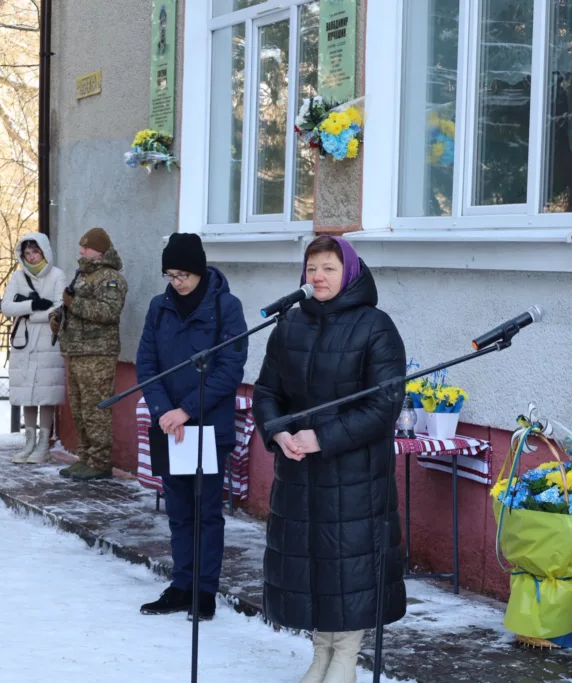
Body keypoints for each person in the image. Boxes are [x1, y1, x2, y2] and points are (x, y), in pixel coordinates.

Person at [252, 235, 407, 683]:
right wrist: (277, 431)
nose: (318, 276)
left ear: (351, 273)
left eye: (329, 268)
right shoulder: (289, 325)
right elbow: (267, 391)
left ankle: (346, 656)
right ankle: (321, 652)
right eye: (312, 268)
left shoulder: (376, 327)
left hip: (355, 474)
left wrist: (321, 438)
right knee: (312, 564)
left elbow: (383, 407)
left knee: (350, 566)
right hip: (299, 469)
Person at [137, 233, 248, 621]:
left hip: (204, 427)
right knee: (179, 510)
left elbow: (230, 369)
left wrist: (185, 410)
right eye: (170, 274)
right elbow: (146, 365)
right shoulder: (159, 307)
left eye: (183, 274)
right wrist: (165, 412)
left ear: (199, 271)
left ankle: (205, 590)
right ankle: (181, 584)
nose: (176, 282)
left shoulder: (226, 307)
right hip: (170, 426)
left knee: (206, 511)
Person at [50, 227, 127, 481]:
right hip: (77, 350)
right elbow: (73, 305)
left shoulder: (110, 278)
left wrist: (75, 305)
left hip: (98, 353)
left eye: (86, 247)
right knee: (80, 408)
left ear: (100, 251)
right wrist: (59, 315)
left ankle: (100, 462)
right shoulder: (83, 275)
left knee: (96, 409)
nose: (81, 251)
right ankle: (86, 457)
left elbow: (108, 312)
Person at [1, 232, 66, 464]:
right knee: (27, 392)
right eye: (27, 253)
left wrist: (28, 313)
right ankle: (28, 443)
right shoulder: (18, 277)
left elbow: (59, 308)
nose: (31, 257)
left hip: (49, 339)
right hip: (24, 340)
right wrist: (32, 305)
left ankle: (43, 445)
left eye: (35, 252)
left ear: (44, 251)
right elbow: (6, 307)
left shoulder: (58, 275)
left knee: (45, 393)